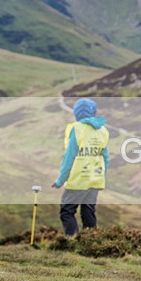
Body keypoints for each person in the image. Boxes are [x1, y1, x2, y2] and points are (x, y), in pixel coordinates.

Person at [52, 98, 109, 236]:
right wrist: (102, 178)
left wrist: (60, 180)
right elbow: (105, 158)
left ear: (76, 113)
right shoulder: (103, 131)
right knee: (88, 212)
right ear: (93, 112)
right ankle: (91, 243)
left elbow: (69, 157)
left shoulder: (76, 129)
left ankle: (72, 242)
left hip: (79, 179)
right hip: (95, 179)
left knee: (67, 212)